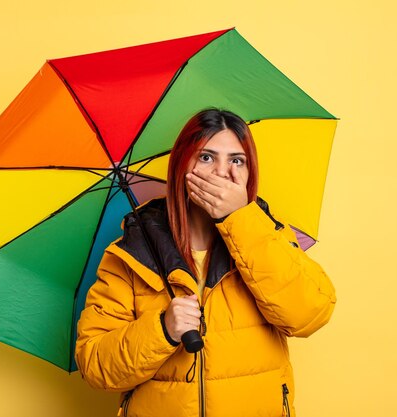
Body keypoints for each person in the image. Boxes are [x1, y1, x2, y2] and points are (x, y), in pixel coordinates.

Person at [75, 109, 336, 417]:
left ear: (250, 172)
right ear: (182, 166)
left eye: (236, 160)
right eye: (207, 158)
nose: (221, 173)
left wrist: (238, 220)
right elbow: (95, 366)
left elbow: (310, 314)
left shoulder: (269, 235)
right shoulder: (130, 253)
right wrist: (162, 329)